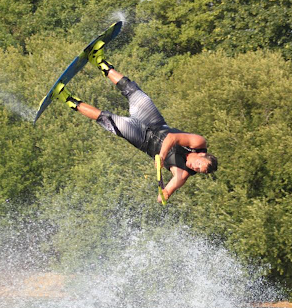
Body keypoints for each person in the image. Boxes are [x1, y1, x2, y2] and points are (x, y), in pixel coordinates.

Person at [50, 44, 218, 203]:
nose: (194, 168)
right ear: (202, 156)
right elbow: (172, 138)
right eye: (198, 165)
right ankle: (99, 61)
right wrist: (162, 156)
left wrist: (164, 194)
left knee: (107, 119)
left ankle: (66, 98)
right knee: (134, 92)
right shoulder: (198, 143)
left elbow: (164, 195)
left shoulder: (182, 175)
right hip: (155, 123)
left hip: (141, 138)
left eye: (197, 171)